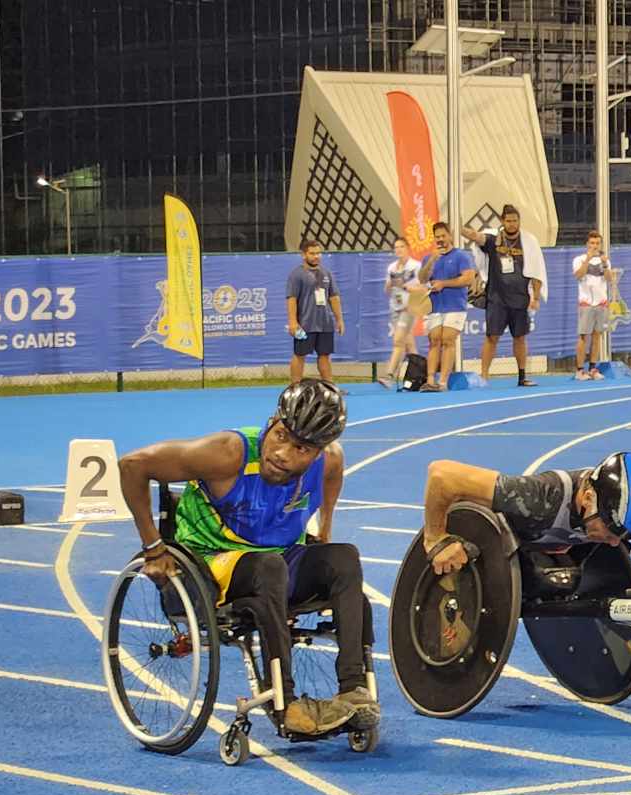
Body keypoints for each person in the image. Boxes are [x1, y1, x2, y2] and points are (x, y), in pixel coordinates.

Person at [117, 381, 376, 735]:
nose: (283, 452)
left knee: (344, 558)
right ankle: (285, 702)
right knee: (269, 568)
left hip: (279, 559)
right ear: (272, 421)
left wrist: (325, 529)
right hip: (212, 562)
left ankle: (353, 689)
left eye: (301, 448)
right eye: (281, 435)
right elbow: (132, 465)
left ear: (317, 452)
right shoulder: (227, 453)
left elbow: (332, 476)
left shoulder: (329, 460)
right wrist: (154, 548)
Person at [421, 452, 631, 577]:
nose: (613, 543)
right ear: (588, 499)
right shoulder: (538, 498)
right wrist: (436, 538)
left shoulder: (627, 505)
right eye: (609, 531)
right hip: (486, 555)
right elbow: (441, 474)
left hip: (552, 548)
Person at [462, 205, 546, 387]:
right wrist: (459, 229)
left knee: (520, 338)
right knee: (492, 337)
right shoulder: (494, 241)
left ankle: (522, 376)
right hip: (497, 299)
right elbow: (476, 236)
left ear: (519, 221)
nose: (512, 224)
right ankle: (484, 376)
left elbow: (536, 271)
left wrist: (536, 297)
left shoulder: (528, 243)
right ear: (502, 221)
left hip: (520, 299)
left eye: (515, 220)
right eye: (508, 221)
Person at [418, 222, 476, 392]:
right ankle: (430, 380)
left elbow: (468, 278)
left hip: (455, 305)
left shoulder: (461, 256)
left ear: (449, 236)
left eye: (443, 236)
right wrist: (432, 261)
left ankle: (443, 382)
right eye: (437, 237)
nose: (441, 240)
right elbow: (422, 278)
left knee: (448, 340)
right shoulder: (429, 258)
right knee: (434, 340)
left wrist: (444, 284)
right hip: (435, 306)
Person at [284, 240, 345, 386]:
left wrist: (339, 319)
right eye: (312, 253)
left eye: (318, 253)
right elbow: (291, 299)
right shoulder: (296, 275)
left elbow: (334, 297)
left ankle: (329, 387)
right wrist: (293, 322)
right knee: (299, 355)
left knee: (324, 355)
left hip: (325, 324)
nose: (316, 256)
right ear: (304, 255)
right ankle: (295, 387)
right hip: (305, 325)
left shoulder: (326, 273)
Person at [378, 237, 425, 389]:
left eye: (401, 247)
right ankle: (419, 375)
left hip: (409, 307)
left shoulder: (416, 266)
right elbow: (387, 289)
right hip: (395, 308)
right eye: (396, 247)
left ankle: (390, 375)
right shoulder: (392, 267)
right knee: (410, 345)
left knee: (398, 341)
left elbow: (424, 287)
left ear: (408, 248)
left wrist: (408, 288)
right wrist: (390, 284)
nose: (398, 250)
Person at [572, 230, 618, 381]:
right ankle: (579, 370)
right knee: (583, 336)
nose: (594, 246)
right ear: (587, 244)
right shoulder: (579, 259)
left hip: (601, 303)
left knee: (597, 336)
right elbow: (578, 275)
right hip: (586, 303)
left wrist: (605, 263)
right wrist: (588, 259)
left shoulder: (606, 260)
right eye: (592, 243)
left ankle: (592, 368)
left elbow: (609, 278)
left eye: (597, 243)